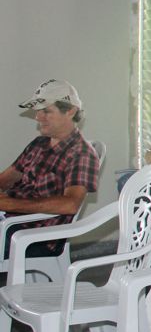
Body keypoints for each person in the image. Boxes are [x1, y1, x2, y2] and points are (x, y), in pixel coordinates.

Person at [1, 80, 100, 258]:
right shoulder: (39, 144)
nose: (38, 117)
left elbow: (70, 204)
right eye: (38, 111)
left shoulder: (82, 154)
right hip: (9, 222)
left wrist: (8, 204)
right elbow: (5, 180)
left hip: (33, 236)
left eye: (46, 111)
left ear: (70, 111)